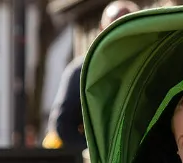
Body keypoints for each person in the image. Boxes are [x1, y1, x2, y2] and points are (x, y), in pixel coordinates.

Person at [42, 0, 139, 150]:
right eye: (114, 28)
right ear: (101, 30)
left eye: (128, 28)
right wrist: (96, 152)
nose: (121, 36)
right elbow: (63, 126)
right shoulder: (81, 72)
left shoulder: (147, 68)